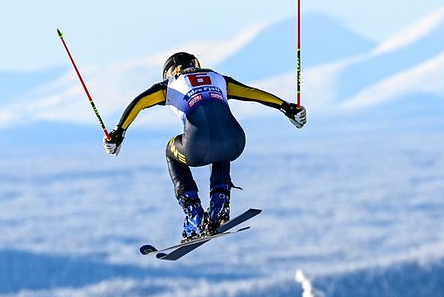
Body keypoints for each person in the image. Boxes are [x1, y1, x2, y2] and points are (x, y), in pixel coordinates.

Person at [103, 52, 307, 240]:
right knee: (220, 143)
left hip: (197, 148)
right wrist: (286, 107)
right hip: (236, 142)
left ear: (171, 71)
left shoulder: (170, 85)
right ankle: (220, 204)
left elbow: (139, 102)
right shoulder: (218, 78)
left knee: (170, 151)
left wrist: (119, 133)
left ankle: (194, 215)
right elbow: (252, 93)